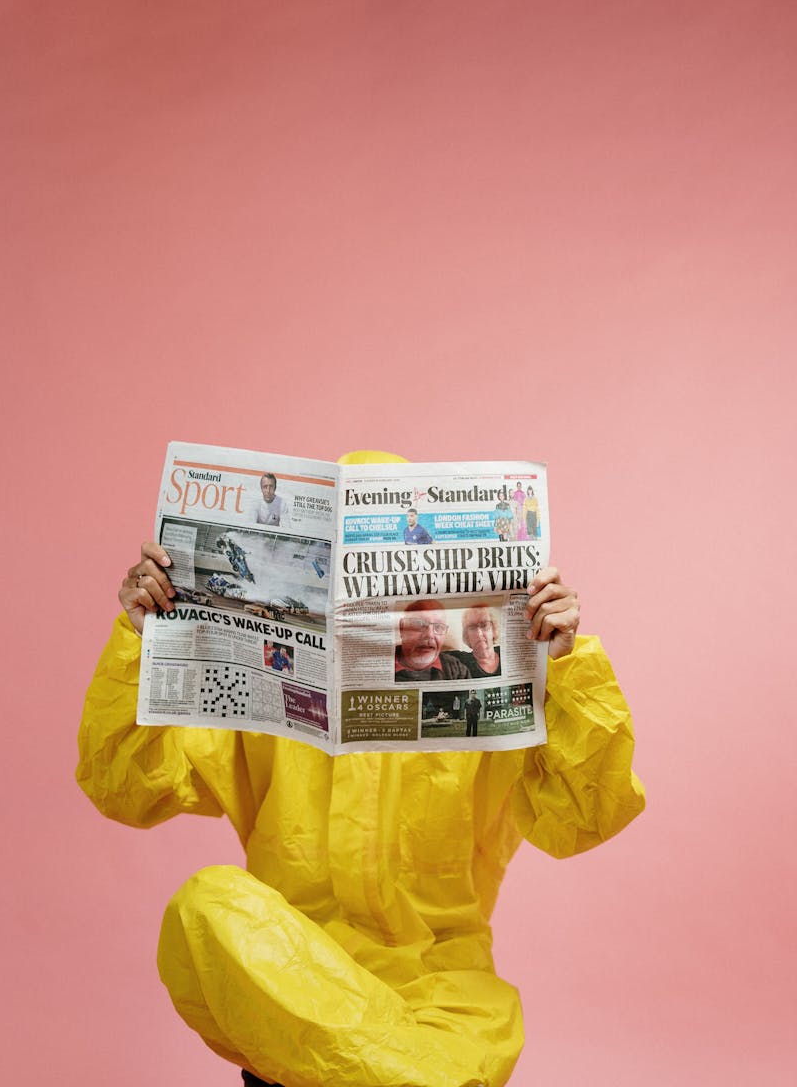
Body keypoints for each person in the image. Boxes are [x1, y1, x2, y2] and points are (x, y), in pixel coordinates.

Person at [76, 449, 645, 1087]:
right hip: (290, 981)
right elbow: (125, 788)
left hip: (442, 998)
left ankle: (379, 1070)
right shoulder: (257, 683)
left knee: (457, 1051)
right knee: (205, 905)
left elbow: (589, 816)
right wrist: (141, 636)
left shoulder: (493, 686)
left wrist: (566, 664)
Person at [394, 599, 472, 682]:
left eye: (438, 627)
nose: (430, 635)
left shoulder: (455, 668)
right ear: (402, 628)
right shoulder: (384, 661)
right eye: (418, 624)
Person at [454, 605, 501, 677]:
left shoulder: (505, 653)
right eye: (472, 627)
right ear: (467, 635)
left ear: (493, 630)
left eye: (484, 625)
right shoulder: (461, 661)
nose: (479, 634)